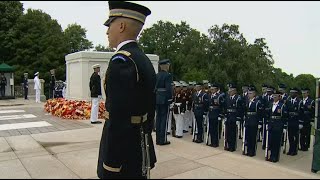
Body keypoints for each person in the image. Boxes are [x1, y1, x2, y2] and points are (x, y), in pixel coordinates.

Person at [97, 1, 156, 179]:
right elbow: (149, 109)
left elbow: (118, 117)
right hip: (139, 144)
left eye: (110, 25)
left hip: (123, 155)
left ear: (121, 26)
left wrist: (111, 163)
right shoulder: (142, 59)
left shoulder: (121, 62)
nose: (107, 31)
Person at [266, 90, 288, 163]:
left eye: (276, 96)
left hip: (278, 125)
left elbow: (285, 117)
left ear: (279, 97)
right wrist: (267, 123)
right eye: (273, 95)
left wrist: (284, 127)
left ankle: (275, 157)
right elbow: (268, 115)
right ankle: (271, 155)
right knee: (271, 141)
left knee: (276, 142)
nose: (274, 97)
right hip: (271, 124)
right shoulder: (270, 104)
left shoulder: (282, 106)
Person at [155, 59, 173, 145]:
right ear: (166, 66)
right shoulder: (168, 75)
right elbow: (169, 89)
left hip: (157, 99)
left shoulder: (157, 75)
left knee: (158, 119)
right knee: (164, 120)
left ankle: (158, 139)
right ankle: (163, 140)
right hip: (165, 99)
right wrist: (170, 99)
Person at [224, 83, 244, 152]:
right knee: (228, 133)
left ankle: (232, 146)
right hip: (229, 117)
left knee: (233, 133)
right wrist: (225, 116)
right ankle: (228, 145)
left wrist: (238, 118)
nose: (229, 91)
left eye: (231, 90)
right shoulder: (227, 98)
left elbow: (240, 109)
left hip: (234, 117)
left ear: (235, 91)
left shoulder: (238, 98)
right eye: (229, 90)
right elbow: (226, 108)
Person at [243, 86, 263, 157]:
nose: (249, 95)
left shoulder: (257, 102)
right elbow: (245, 111)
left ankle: (252, 151)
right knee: (248, 137)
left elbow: (260, 113)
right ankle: (248, 150)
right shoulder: (247, 101)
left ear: (254, 94)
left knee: (253, 137)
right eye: (248, 93)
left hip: (254, 122)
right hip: (248, 121)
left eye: (251, 93)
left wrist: (260, 122)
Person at [286, 87, 303, 156]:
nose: (291, 94)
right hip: (290, 120)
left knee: (295, 137)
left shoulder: (299, 101)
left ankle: (294, 150)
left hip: (296, 121)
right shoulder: (288, 100)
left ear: (296, 93)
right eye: (291, 92)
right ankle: (290, 149)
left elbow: (301, 113)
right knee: (290, 136)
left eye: (293, 92)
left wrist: (301, 122)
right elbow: (287, 111)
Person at [207, 83, 225, 147]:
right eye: (211, 89)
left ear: (216, 89)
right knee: (211, 129)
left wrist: (220, 115)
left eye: (213, 89)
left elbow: (222, 106)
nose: (212, 90)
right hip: (211, 114)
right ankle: (212, 141)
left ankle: (215, 143)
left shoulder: (219, 96)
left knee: (216, 129)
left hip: (216, 114)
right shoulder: (209, 95)